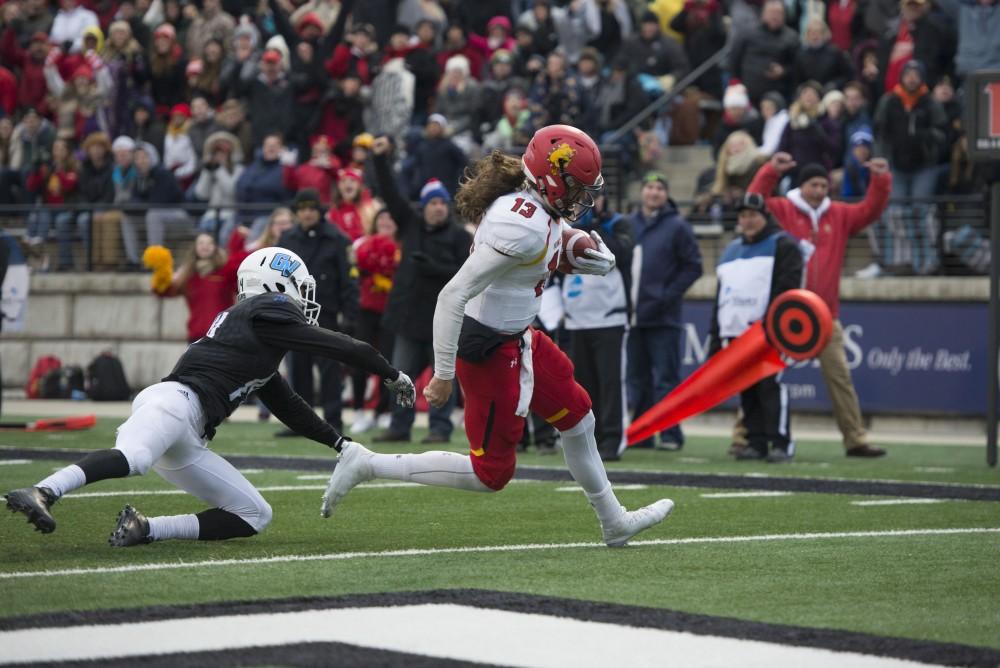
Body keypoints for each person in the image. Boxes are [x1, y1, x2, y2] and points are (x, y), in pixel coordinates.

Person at [320, 125, 674, 548]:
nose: (582, 198)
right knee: (490, 475)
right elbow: (453, 294)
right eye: (576, 187)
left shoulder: (531, 205)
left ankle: (613, 520)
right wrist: (444, 374)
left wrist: (577, 249)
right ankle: (368, 463)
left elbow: (547, 240)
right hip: (487, 348)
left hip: (519, 336)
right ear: (550, 178)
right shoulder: (518, 224)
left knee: (579, 415)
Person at [4, 247, 415, 545]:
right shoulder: (268, 309)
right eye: (298, 287)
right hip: (175, 402)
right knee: (134, 460)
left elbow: (286, 404)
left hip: (190, 428)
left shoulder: (255, 334)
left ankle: (145, 529)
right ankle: (44, 491)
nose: (304, 298)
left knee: (255, 514)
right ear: (275, 285)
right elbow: (336, 345)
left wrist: (338, 444)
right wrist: (390, 372)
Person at [748, 151, 892, 457]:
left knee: (840, 378)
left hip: (825, 315)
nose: (818, 191)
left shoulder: (839, 214)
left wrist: (880, 180)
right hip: (783, 313)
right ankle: (744, 436)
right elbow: (754, 201)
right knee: (762, 377)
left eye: (823, 186)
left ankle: (855, 439)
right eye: (813, 185)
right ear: (801, 186)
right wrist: (770, 171)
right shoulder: (783, 209)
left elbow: (870, 211)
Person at [371, 136, 471, 445]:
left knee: (442, 376)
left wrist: (434, 268)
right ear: (425, 206)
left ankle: (440, 429)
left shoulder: (458, 237)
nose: (438, 208)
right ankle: (400, 426)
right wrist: (380, 160)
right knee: (401, 376)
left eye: (443, 203)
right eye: (433, 203)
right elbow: (390, 193)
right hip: (408, 318)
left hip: (442, 320)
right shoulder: (410, 224)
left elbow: (467, 276)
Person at [709, 193, 803, 462]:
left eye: (752, 215)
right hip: (734, 333)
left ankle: (781, 443)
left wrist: (775, 327)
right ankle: (757, 441)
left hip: (767, 333)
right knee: (747, 390)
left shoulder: (783, 245)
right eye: (743, 216)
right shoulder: (731, 250)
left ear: (765, 216)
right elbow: (721, 298)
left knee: (770, 387)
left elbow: (787, 290)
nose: (747, 220)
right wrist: (716, 336)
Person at [540, 195, 634, 462]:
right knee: (585, 384)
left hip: (609, 319)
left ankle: (614, 439)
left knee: (611, 383)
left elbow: (622, 254)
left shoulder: (618, 224)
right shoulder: (565, 227)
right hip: (577, 320)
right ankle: (592, 437)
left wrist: (596, 229)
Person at [627, 172, 703, 451]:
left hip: (664, 317)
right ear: (642, 192)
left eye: (660, 188)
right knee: (638, 379)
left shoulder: (677, 226)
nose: (654, 192)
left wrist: (668, 295)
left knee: (666, 378)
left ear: (666, 194)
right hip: (634, 316)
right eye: (649, 187)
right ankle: (643, 433)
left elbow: (693, 266)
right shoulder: (629, 224)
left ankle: (671, 434)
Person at [277, 188, 359, 435]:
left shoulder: (337, 239)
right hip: (294, 312)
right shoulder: (287, 239)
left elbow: (349, 280)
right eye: (302, 209)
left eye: (312, 208)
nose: (307, 213)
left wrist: (350, 316)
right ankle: (301, 422)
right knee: (297, 369)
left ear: (319, 211)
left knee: (329, 371)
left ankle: (333, 421)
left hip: (327, 313)